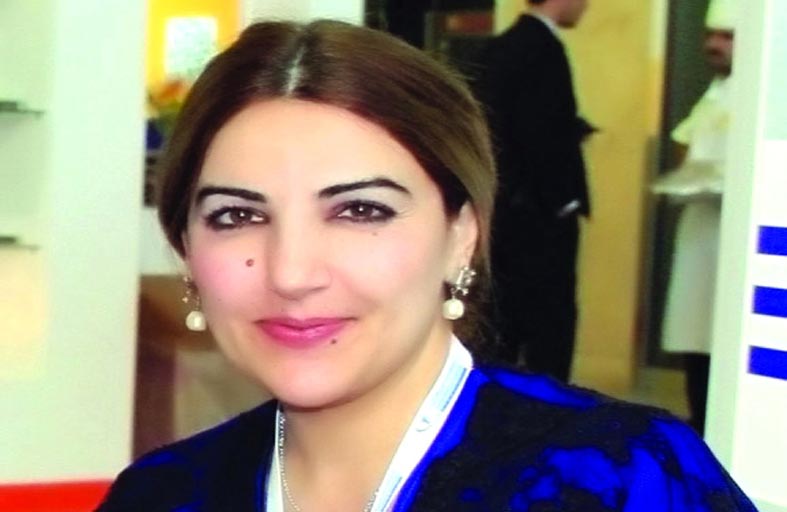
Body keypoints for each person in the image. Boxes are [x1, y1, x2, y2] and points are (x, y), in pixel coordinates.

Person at [98, 20, 755, 511]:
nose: (291, 273)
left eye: (360, 210)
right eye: (237, 216)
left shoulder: (620, 477)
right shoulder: (162, 494)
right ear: (186, 248)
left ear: (460, 235)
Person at [477, 0, 594, 382]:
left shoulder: (502, 47)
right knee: (549, 322)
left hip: (508, 213)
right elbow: (538, 132)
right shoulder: (542, 49)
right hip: (538, 216)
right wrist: (560, 202)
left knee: (506, 322)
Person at [659, 0, 735, 437]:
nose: (713, 45)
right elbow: (685, 144)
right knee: (695, 334)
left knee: (723, 335)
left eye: (726, 37)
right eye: (711, 36)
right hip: (699, 228)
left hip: (731, 235)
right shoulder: (713, 93)